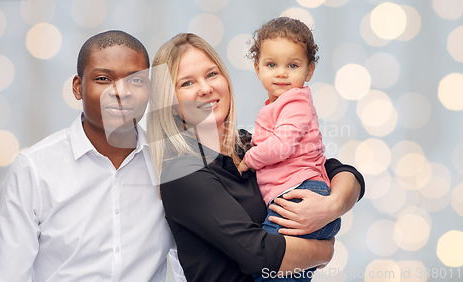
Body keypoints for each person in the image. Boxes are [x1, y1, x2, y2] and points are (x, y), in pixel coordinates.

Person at [147, 33, 365, 282]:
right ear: (171, 102)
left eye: (211, 74)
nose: (205, 89)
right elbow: (258, 255)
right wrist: (324, 252)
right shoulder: (183, 172)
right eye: (187, 83)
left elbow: (338, 170)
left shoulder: (250, 146)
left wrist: (333, 204)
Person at [0, 30, 186, 282]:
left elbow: (189, 265)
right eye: (103, 78)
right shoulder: (33, 170)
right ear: (78, 87)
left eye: (136, 81)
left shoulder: (170, 165)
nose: (121, 92)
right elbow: (7, 277)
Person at [237, 17, 338, 281]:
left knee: (268, 265)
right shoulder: (276, 105)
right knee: (291, 273)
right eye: (272, 65)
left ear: (309, 71)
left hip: (299, 193)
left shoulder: (295, 102)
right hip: (294, 191)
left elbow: (281, 146)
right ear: (258, 69)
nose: (281, 73)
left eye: (292, 65)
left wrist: (250, 158)